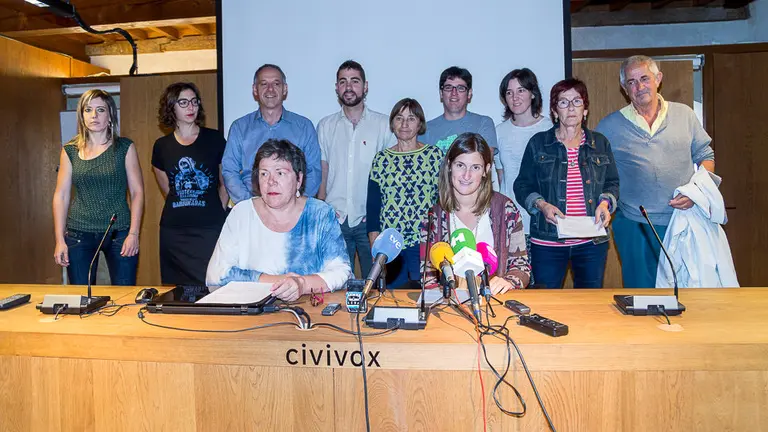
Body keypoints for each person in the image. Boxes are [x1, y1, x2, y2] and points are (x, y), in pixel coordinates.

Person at [596, 55, 714, 288]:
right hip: (633, 224)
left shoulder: (685, 115)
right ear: (624, 87)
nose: (639, 87)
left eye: (644, 79)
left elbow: (706, 157)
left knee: (685, 292)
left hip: (681, 221)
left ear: (658, 79)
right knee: (642, 296)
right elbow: (598, 175)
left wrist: (697, 192)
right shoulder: (608, 126)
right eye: (631, 82)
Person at [206, 139, 351, 301]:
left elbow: (342, 272)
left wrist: (301, 285)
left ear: (299, 179)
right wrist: (280, 283)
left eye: (280, 173)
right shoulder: (241, 213)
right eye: (264, 173)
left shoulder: (320, 214)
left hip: (310, 312)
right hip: (251, 315)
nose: (271, 181)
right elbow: (215, 276)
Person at [514, 78, 619, 289]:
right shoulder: (538, 143)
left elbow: (612, 182)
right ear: (555, 111)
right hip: (548, 240)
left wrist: (605, 204)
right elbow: (522, 185)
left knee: (588, 304)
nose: (571, 108)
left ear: (585, 109)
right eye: (563, 102)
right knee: (547, 305)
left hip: (591, 240)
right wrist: (541, 205)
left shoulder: (600, 143)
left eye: (577, 101)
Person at [52, 89, 144, 285]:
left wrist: (133, 234)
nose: (94, 115)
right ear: (81, 115)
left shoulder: (124, 148)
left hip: (119, 233)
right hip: (79, 234)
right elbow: (61, 195)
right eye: (88, 110)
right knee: (82, 300)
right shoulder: (70, 150)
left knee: (124, 298)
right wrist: (60, 239)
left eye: (100, 109)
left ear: (110, 114)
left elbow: (137, 192)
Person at [420, 132, 531, 293]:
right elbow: (428, 276)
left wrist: (509, 281)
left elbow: (521, 266)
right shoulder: (433, 217)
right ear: (449, 166)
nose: (466, 175)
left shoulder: (506, 209)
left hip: (496, 304)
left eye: (475, 167)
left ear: (486, 170)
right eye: (460, 165)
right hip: (450, 307)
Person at [317, 60, 394, 278]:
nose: (348, 87)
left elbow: (388, 175)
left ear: (365, 86)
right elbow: (323, 169)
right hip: (335, 219)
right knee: (336, 283)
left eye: (354, 81)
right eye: (343, 82)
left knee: (375, 282)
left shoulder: (384, 124)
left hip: (370, 219)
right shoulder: (325, 125)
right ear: (336, 88)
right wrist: (323, 211)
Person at [151, 82, 228, 286]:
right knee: (177, 291)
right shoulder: (161, 146)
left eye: (194, 102)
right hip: (174, 232)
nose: (191, 108)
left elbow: (225, 183)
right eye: (183, 102)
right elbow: (169, 189)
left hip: (208, 228)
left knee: (211, 285)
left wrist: (217, 210)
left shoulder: (215, 139)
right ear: (171, 107)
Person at [367, 98, 442, 288]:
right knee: (391, 299)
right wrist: (375, 247)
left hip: (425, 242)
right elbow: (373, 207)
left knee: (425, 297)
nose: (405, 124)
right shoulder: (381, 159)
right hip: (391, 245)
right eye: (399, 118)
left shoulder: (434, 156)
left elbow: (443, 202)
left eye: (411, 118)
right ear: (392, 123)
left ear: (420, 124)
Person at [222, 64, 322, 202]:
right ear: (255, 90)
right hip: (251, 210)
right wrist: (250, 206)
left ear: (285, 89)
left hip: (294, 211)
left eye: (276, 83)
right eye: (264, 84)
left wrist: (297, 204)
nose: (270, 89)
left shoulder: (304, 127)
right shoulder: (239, 128)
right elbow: (229, 171)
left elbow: (313, 172)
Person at [419, 66, 501, 189]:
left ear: (469, 94)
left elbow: (484, 164)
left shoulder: (484, 123)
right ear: (441, 93)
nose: (454, 93)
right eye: (448, 88)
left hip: (476, 200)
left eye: (460, 88)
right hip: (438, 200)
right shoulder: (425, 130)